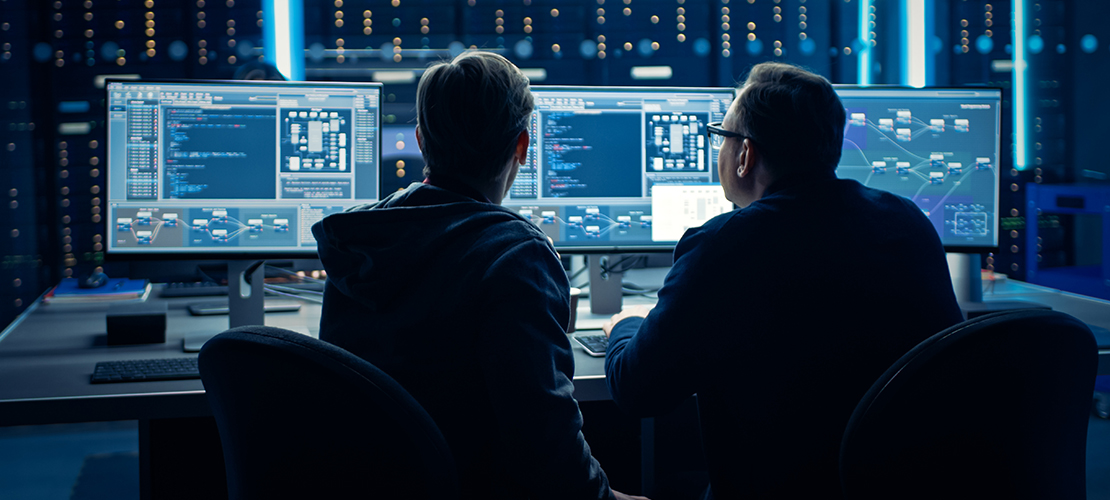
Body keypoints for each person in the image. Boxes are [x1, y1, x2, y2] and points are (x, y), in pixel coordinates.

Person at [602, 62, 965, 499]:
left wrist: (623, 326)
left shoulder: (722, 246)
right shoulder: (907, 220)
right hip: (899, 485)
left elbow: (637, 391)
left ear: (745, 155)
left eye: (722, 136)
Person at [312, 51, 645, 500]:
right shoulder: (514, 256)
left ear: (421, 141)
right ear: (522, 147)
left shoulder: (358, 240)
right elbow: (546, 445)